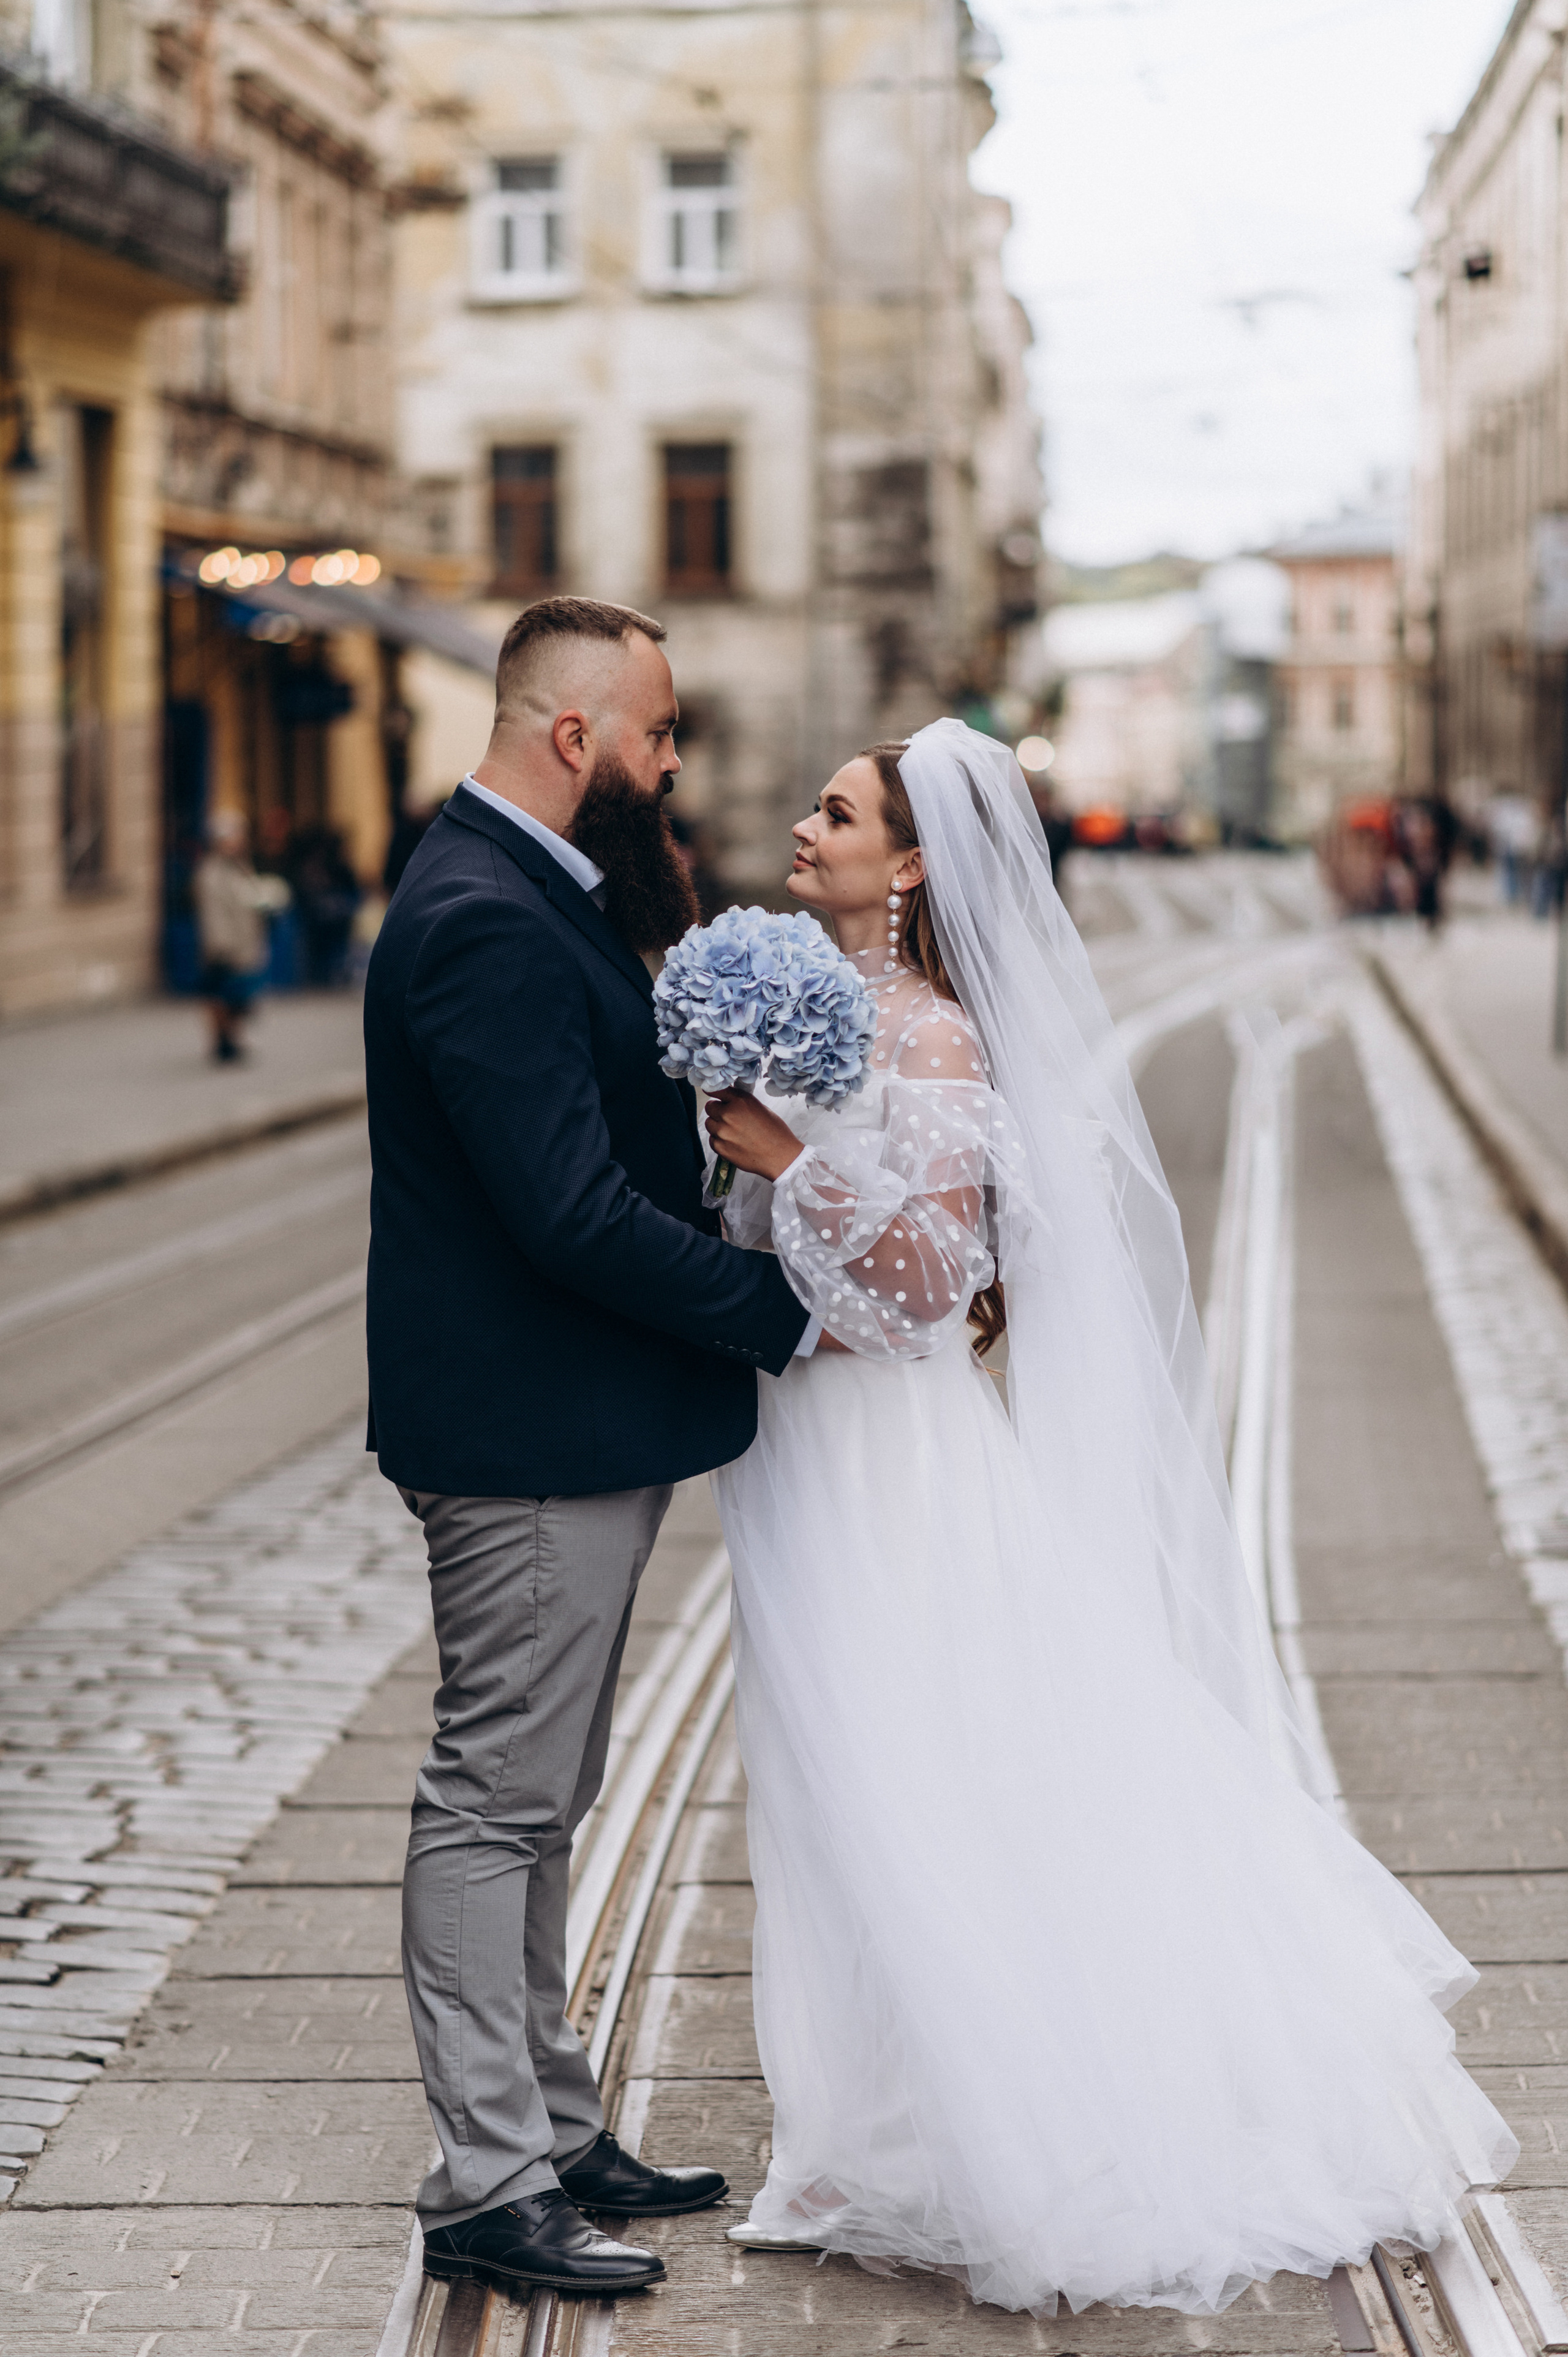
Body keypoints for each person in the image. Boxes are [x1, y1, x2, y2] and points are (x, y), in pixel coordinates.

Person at [699, 720, 1517, 2318]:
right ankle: (850, 2129)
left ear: (915, 857)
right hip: (800, 1432)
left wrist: (782, 1155)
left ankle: (969, 2131)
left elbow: (933, 1281)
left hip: (887, 1446)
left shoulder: (930, 1038)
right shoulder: (826, 1004)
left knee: (898, 1772)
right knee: (822, 1777)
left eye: (838, 810)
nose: (805, 825)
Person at [361, 596, 813, 2302]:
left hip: (563, 1415)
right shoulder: (485, 912)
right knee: (497, 1792)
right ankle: (490, 2170)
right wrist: (769, 1301)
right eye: (659, 732)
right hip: (527, 1427)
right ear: (577, 738)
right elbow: (562, 1212)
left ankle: (548, 2121)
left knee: (545, 1792)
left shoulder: (527, 889)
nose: (669, 761)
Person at [192, 811, 287, 1062]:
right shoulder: (212, 872)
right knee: (220, 996)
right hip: (225, 947)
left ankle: (232, 1039)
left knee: (240, 997)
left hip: (244, 944)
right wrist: (220, 946)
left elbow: (249, 896)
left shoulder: (240, 867)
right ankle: (222, 1041)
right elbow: (213, 914)